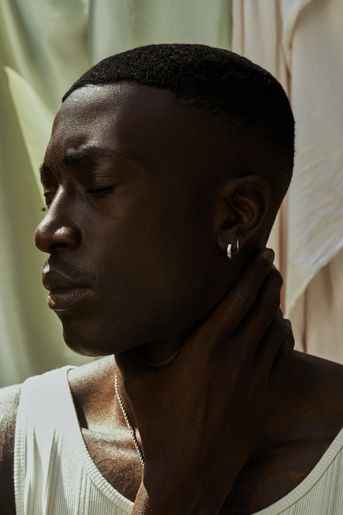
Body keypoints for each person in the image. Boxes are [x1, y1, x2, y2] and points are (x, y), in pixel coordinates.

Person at [0, 44, 342, 515]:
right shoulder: (15, 441)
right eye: (49, 196)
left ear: (237, 213)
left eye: (97, 186)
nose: (48, 231)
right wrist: (178, 492)